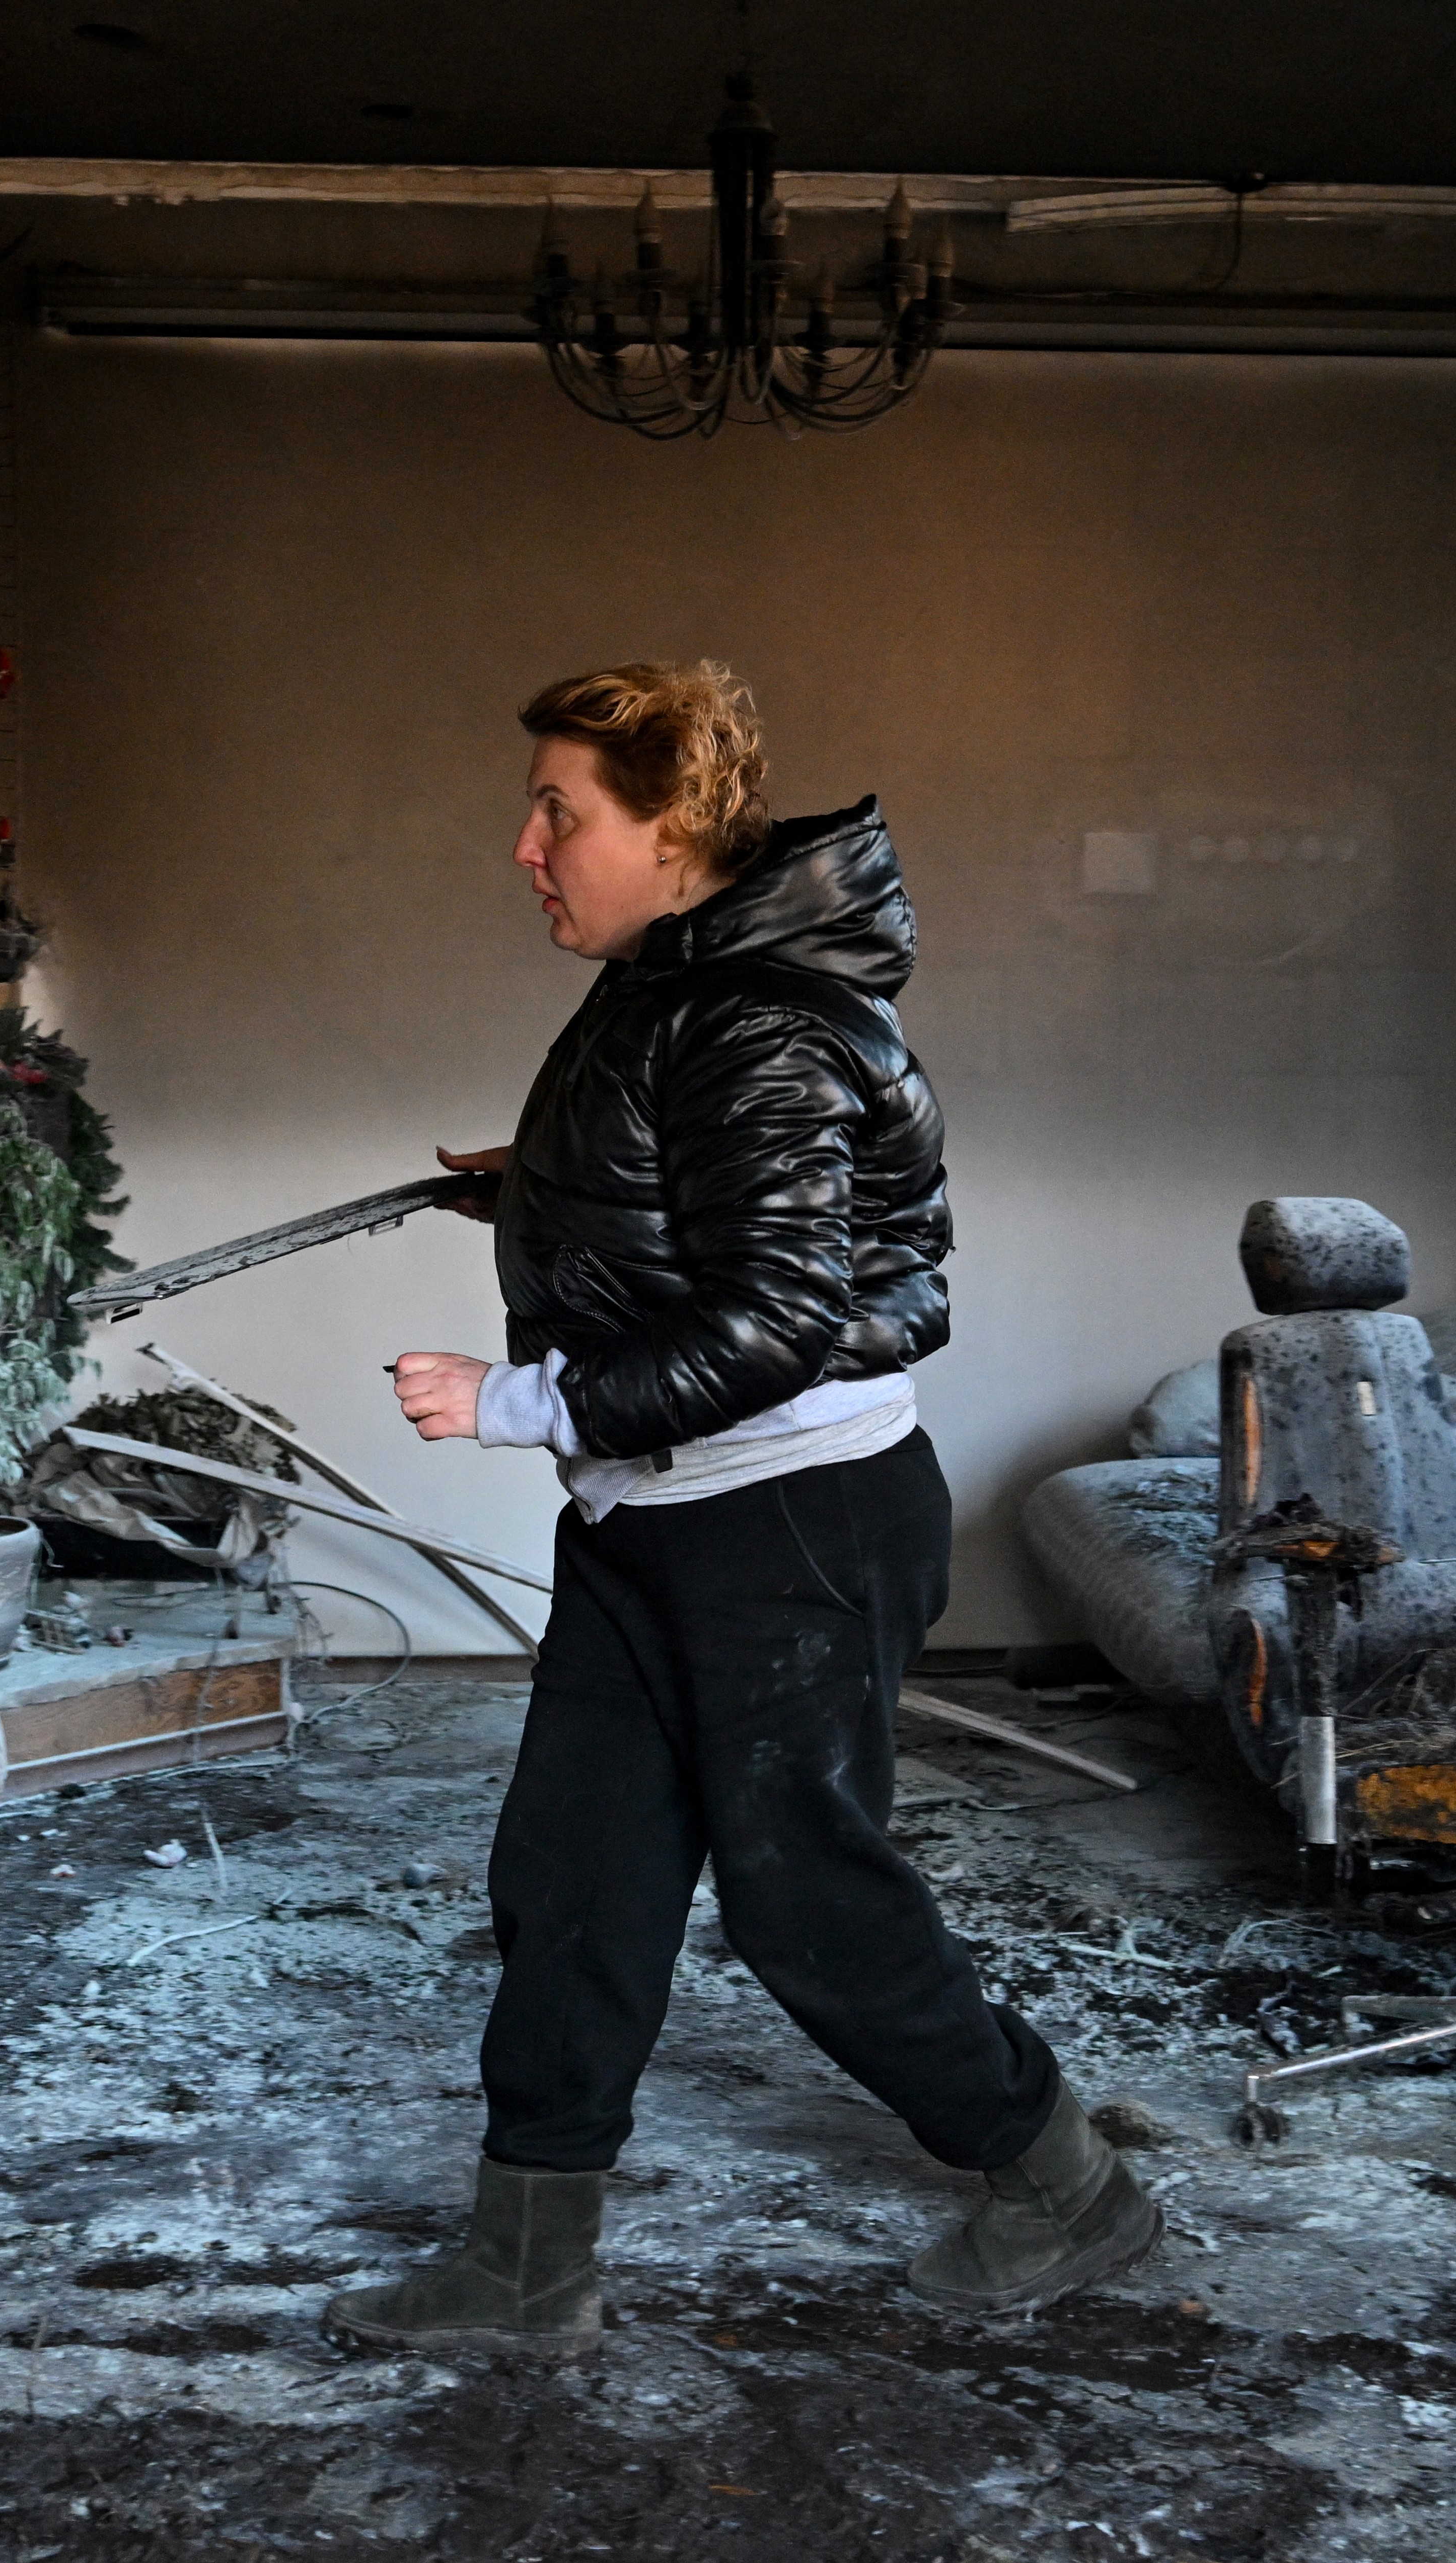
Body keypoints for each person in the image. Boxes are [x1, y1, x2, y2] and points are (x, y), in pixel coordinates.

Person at [324, 660, 1154, 2359]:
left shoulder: (759, 1020)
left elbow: (777, 1325)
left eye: (562, 809)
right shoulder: (671, 984)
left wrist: (513, 1404)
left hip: (785, 1523)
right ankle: (527, 2263)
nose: (527, 844)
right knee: (574, 1879)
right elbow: (726, 1202)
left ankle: (1064, 2182)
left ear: (675, 825)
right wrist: (550, 1183)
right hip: (652, 1516)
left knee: (804, 1898)